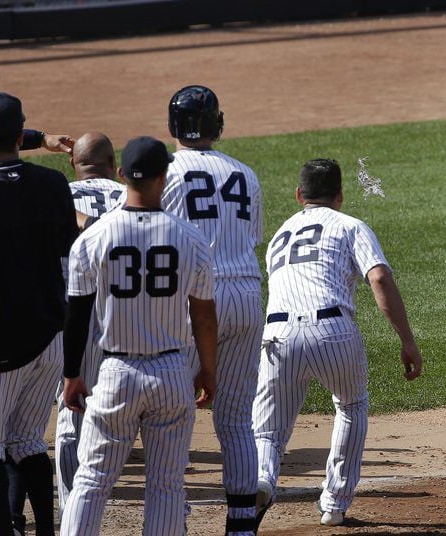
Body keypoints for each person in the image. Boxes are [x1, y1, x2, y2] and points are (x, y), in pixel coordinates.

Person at [60, 136, 218, 536]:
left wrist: (72, 374)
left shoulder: (93, 238)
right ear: (164, 178)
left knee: (92, 481)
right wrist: (208, 371)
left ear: (121, 175)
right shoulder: (191, 239)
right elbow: (203, 316)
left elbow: (76, 315)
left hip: (115, 372)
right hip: (170, 371)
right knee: (166, 485)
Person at [252, 158, 423, 528]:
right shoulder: (350, 225)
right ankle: (334, 504)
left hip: (277, 335)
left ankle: (263, 479)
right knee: (350, 406)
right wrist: (406, 339)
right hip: (332, 331)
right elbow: (378, 277)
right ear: (341, 195)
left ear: (299, 195)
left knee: (268, 428)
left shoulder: (281, 234)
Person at [0, 92, 79, 535]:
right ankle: (47, 530)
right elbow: (68, 254)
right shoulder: (53, 186)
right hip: (49, 337)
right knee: (28, 438)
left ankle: (5, 533)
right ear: (20, 135)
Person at [162, 85, 264, 535]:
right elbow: (251, 238)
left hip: (195, 300)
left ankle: (174, 522)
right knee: (238, 421)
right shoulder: (247, 173)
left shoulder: (165, 172)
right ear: (217, 125)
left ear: (172, 126)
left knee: (174, 420)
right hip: (246, 294)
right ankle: (241, 528)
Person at [54, 132, 126, 517]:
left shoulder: (56, 194)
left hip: (70, 316)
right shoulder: (128, 196)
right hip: (125, 317)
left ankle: (72, 510)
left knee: (72, 413)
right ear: (115, 166)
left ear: (73, 164)